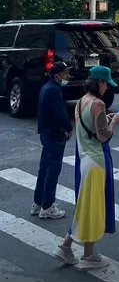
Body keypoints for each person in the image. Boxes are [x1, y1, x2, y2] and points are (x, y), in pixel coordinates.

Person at [53, 66, 119, 269]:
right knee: (92, 208)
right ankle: (84, 254)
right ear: (100, 82)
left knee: (86, 207)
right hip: (96, 161)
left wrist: (105, 120)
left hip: (85, 160)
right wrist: (115, 122)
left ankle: (70, 248)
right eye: (106, 84)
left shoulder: (81, 101)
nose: (107, 88)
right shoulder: (99, 104)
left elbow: (90, 127)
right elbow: (103, 136)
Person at [31, 61, 73, 220]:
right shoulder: (54, 90)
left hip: (46, 133)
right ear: (57, 76)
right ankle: (47, 206)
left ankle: (38, 203)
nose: (68, 76)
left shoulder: (46, 87)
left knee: (44, 169)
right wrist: (68, 127)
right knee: (53, 170)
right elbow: (60, 113)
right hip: (55, 134)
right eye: (65, 73)